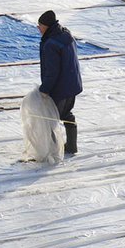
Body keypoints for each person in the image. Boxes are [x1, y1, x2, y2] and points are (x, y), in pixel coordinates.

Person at [38, 10, 83, 156]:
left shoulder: (51, 44)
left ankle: (52, 151)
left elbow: (52, 71)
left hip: (60, 88)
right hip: (72, 84)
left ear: (47, 26)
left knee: (50, 119)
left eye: (40, 26)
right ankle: (71, 145)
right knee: (66, 114)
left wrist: (44, 89)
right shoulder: (65, 34)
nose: (39, 29)